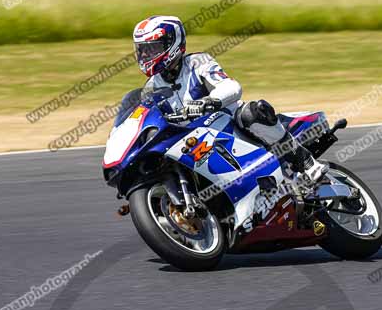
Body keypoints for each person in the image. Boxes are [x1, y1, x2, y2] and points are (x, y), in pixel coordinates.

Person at [133, 15, 327, 184]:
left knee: (252, 112)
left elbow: (231, 86)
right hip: (192, 142)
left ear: (171, 43)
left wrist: (208, 102)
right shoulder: (151, 87)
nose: (145, 55)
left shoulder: (196, 63)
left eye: (152, 49)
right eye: (142, 50)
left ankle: (306, 161)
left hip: (227, 123)